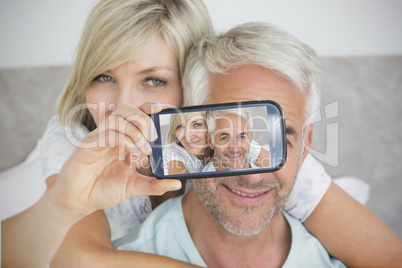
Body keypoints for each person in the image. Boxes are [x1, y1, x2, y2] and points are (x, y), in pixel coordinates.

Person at [114, 22, 402, 267]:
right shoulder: (119, 258)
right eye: (224, 135)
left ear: (305, 147)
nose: (252, 176)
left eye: (281, 140)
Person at [2, 0, 213, 267]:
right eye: (104, 76)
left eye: (154, 80)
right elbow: (77, 260)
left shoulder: (224, 139)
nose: (122, 106)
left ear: (193, 84)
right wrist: (63, 202)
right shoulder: (72, 135)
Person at [202, 108, 271, 172]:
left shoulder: (270, 171)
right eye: (225, 138)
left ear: (250, 137)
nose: (235, 149)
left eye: (241, 137)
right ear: (210, 141)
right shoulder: (201, 182)